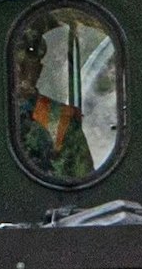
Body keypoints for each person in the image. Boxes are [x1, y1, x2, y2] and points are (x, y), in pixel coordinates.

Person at [14, 35, 94, 182]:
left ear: (39, 70)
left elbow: (84, 181)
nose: (19, 70)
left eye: (27, 63)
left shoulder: (62, 120)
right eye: (14, 64)